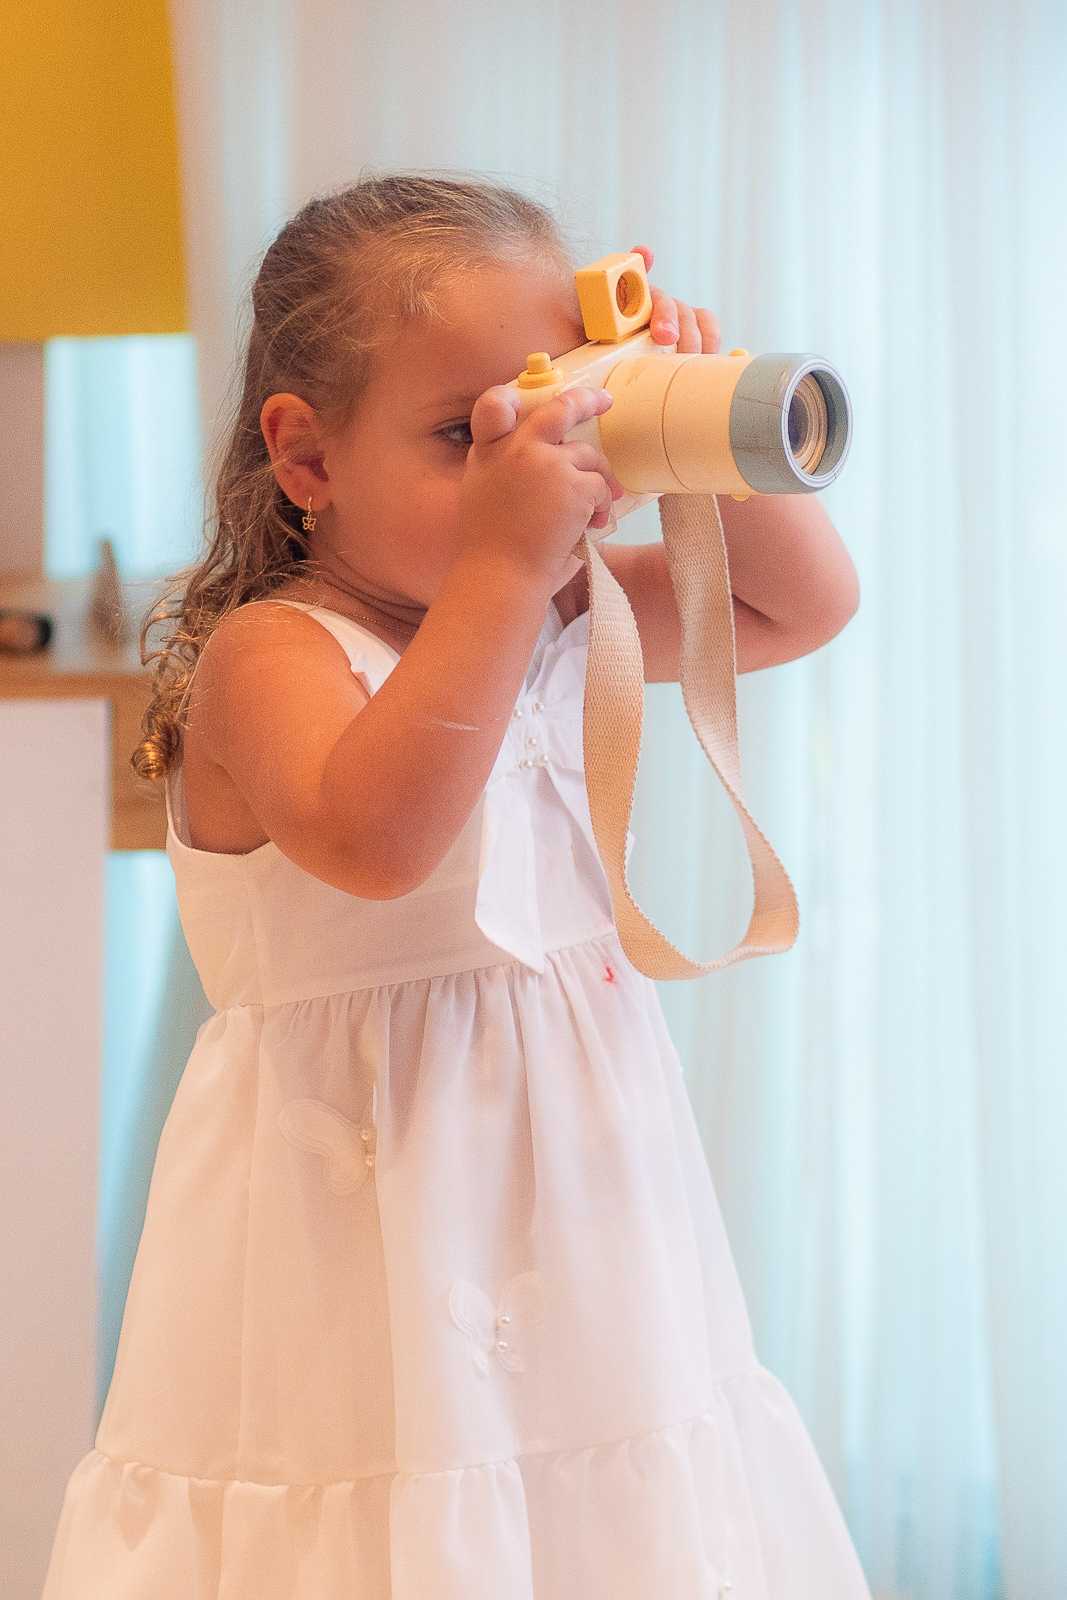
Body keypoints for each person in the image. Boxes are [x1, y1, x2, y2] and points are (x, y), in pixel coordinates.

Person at [42, 175, 868, 1599]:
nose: (519, 475)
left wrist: (682, 416)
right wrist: (508, 556)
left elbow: (800, 606)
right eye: (459, 436)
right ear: (305, 460)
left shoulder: (549, 605)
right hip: (357, 1242)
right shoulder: (273, 655)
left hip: (587, 1219)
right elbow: (379, 839)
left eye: (545, 413)